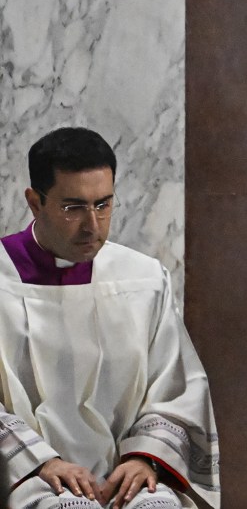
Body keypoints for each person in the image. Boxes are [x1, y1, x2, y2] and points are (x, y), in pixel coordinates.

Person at [0, 128, 219, 509]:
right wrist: (41, 461)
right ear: (35, 203)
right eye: (74, 208)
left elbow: (176, 387)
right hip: (29, 473)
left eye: (103, 204)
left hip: (125, 471)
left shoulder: (142, 279)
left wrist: (145, 456)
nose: (93, 225)